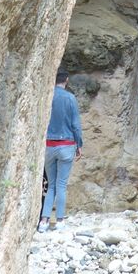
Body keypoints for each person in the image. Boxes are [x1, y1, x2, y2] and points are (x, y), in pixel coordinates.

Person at [38, 71, 83, 232]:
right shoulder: (70, 98)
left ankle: (43, 221)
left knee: (51, 185)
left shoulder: (47, 96)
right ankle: (60, 220)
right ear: (67, 81)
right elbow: (76, 124)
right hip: (66, 144)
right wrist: (79, 144)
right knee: (61, 185)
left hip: (49, 145)